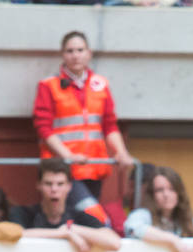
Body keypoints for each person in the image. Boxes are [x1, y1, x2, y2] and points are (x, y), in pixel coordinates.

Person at [32, 31, 134, 199]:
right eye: (70, 51)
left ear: (89, 53)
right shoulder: (48, 85)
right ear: (62, 54)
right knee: (92, 215)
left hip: (93, 166)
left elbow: (109, 125)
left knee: (87, 220)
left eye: (80, 50)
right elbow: (43, 128)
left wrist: (121, 152)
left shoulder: (100, 84)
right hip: (61, 169)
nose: (75, 56)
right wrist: (68, 156)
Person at [10, 159, 121, 252]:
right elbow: (15, 234)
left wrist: (72, 229)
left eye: (60, 184)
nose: (54, 189)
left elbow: (114, 242)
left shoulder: (79, 217)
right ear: (39, 185)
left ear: (69, 186)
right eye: (48, 184)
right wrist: (64, 234)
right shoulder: (23, 212)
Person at [124, 166, 193, 252]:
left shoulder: (187, 222)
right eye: (159, 190)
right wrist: (173, 240)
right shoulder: (143, 214)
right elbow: (133, 228)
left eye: (172, 189)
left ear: (179, 193)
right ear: (152, 195)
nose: (166, 194)